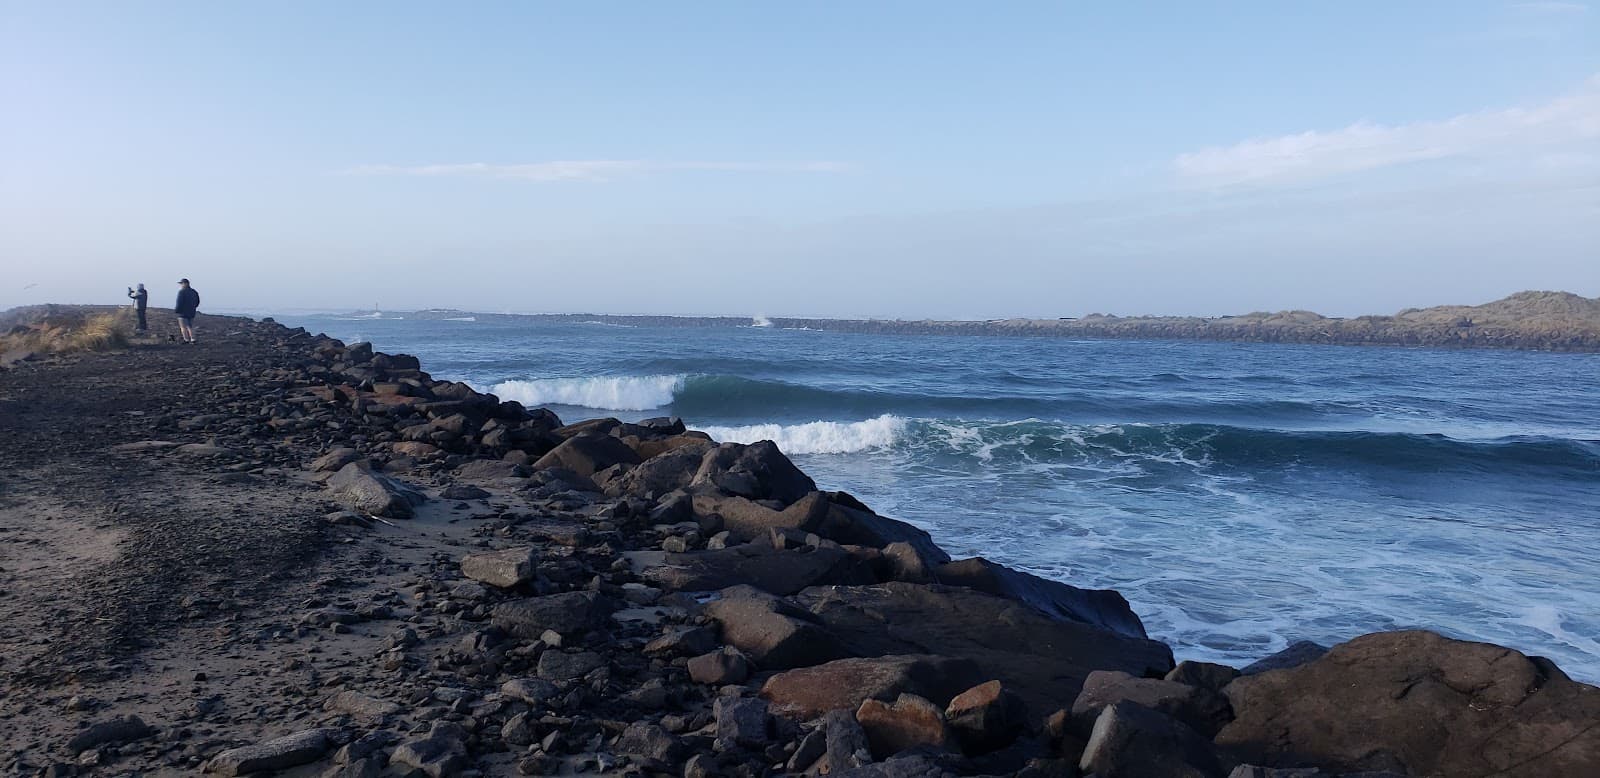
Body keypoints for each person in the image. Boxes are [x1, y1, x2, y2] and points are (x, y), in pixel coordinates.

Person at [175, 278, 200, 344]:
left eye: (181, 283)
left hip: (183, 312)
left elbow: (179, 302)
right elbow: (197, 301)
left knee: (183, 327)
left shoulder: (182, 292)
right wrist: (193, 307)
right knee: (190, 326)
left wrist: (177, 310)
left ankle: (186, 339)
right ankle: (193, 339)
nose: (181, 285)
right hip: (191, 312)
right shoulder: (194, 292)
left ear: (185, 284)